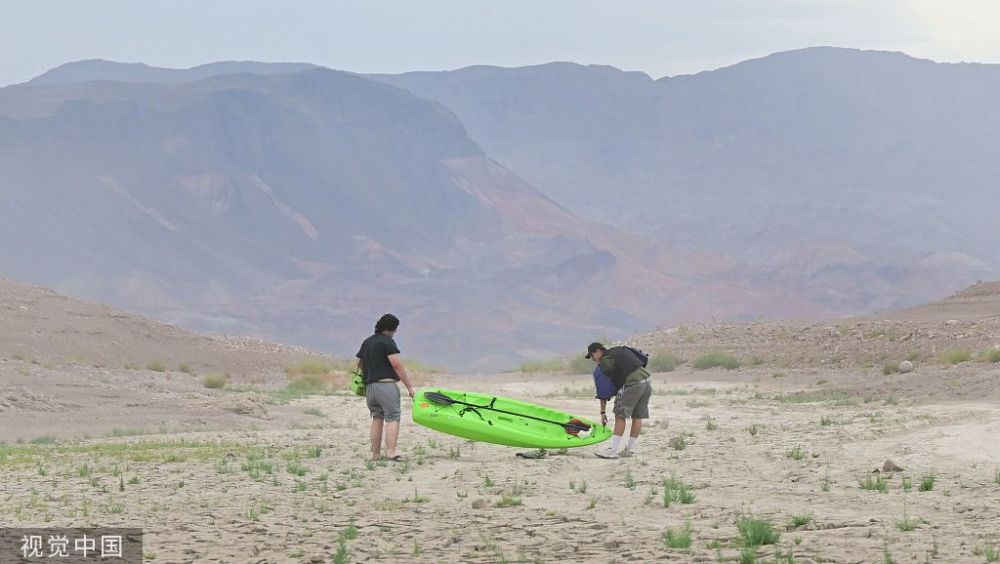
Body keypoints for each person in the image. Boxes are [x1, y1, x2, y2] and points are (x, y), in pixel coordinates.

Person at [356, 313, 415, 461]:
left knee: (377, 418)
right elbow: (396, 364)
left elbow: (359, 363)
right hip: (386, 386)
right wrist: (409, 387)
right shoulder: (387, 342)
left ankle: (376, 454)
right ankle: (391, 452)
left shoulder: (367, 342)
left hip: (370, 388)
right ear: (391, 329)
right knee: (393, 417)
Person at [586, 342, 652, 459]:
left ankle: (613, 450)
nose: (593, 360)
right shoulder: (618, 350)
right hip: (646, 383)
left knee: (620, 415)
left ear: (598, 351)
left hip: (633, 385)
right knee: (637, 417)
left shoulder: (605, 361)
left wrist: (602, 412)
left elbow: (603, 388)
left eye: (592, 356)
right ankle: (629, 450)